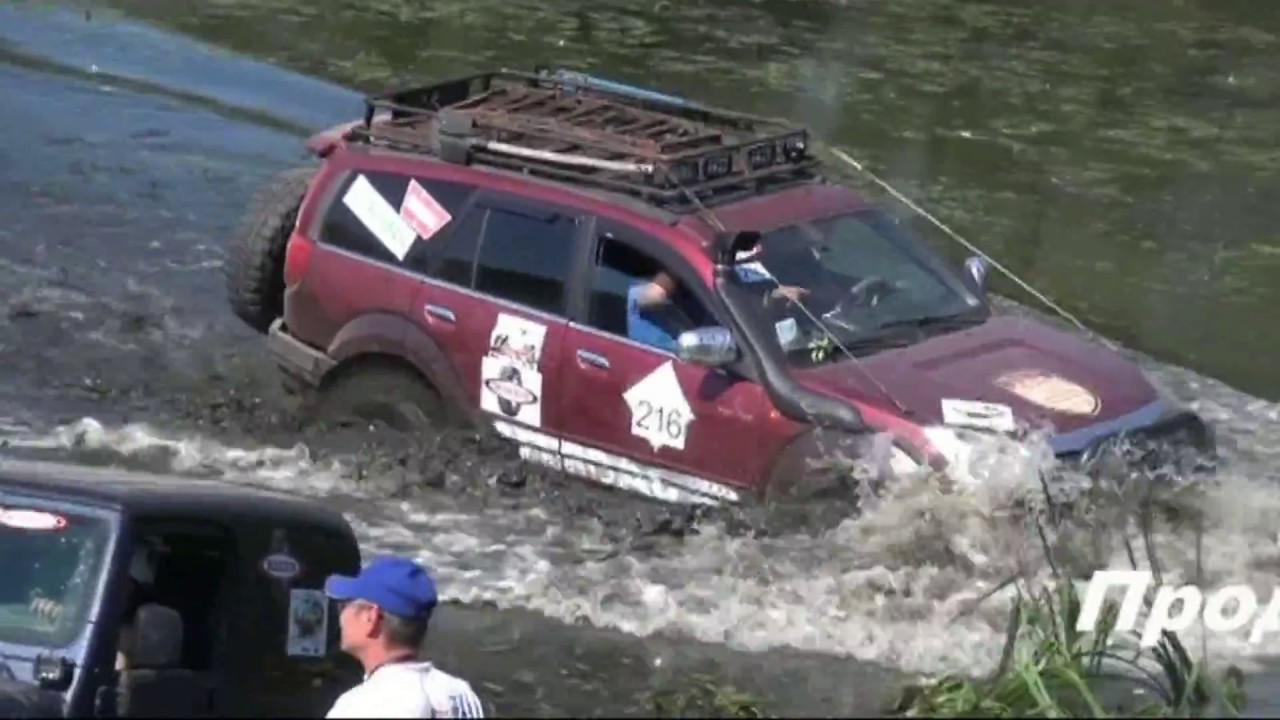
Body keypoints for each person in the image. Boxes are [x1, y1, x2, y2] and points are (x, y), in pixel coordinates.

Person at [324, 556, 483, 719]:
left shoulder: (358, 707)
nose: (341, 616)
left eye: (344, 605)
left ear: (371, 617)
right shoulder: (460, 694)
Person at [30, 538, 159, 672]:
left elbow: (119, 667)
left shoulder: (137, 628)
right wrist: (61, 624)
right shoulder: (60, 612)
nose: (107, 592)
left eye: (119, 584)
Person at [627, 268, 808, 351]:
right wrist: (676, 270)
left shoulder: (737, 272)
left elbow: (744, 302)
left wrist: (775, 296)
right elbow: (651, 296)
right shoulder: (643, 295)